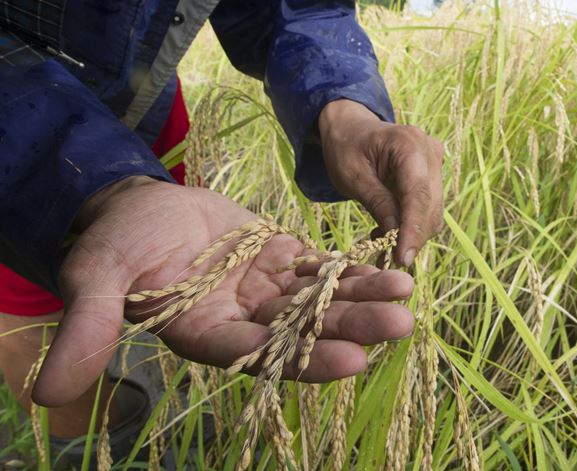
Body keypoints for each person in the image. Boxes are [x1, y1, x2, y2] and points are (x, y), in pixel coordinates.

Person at [0, 0, 443, 455]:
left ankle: (159, 419)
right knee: (29, 319)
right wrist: (93, 182)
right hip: (14, 146)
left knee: (160, 266)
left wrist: (343, 107)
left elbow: (300, 9)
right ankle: (101, 445)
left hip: (146, 110)